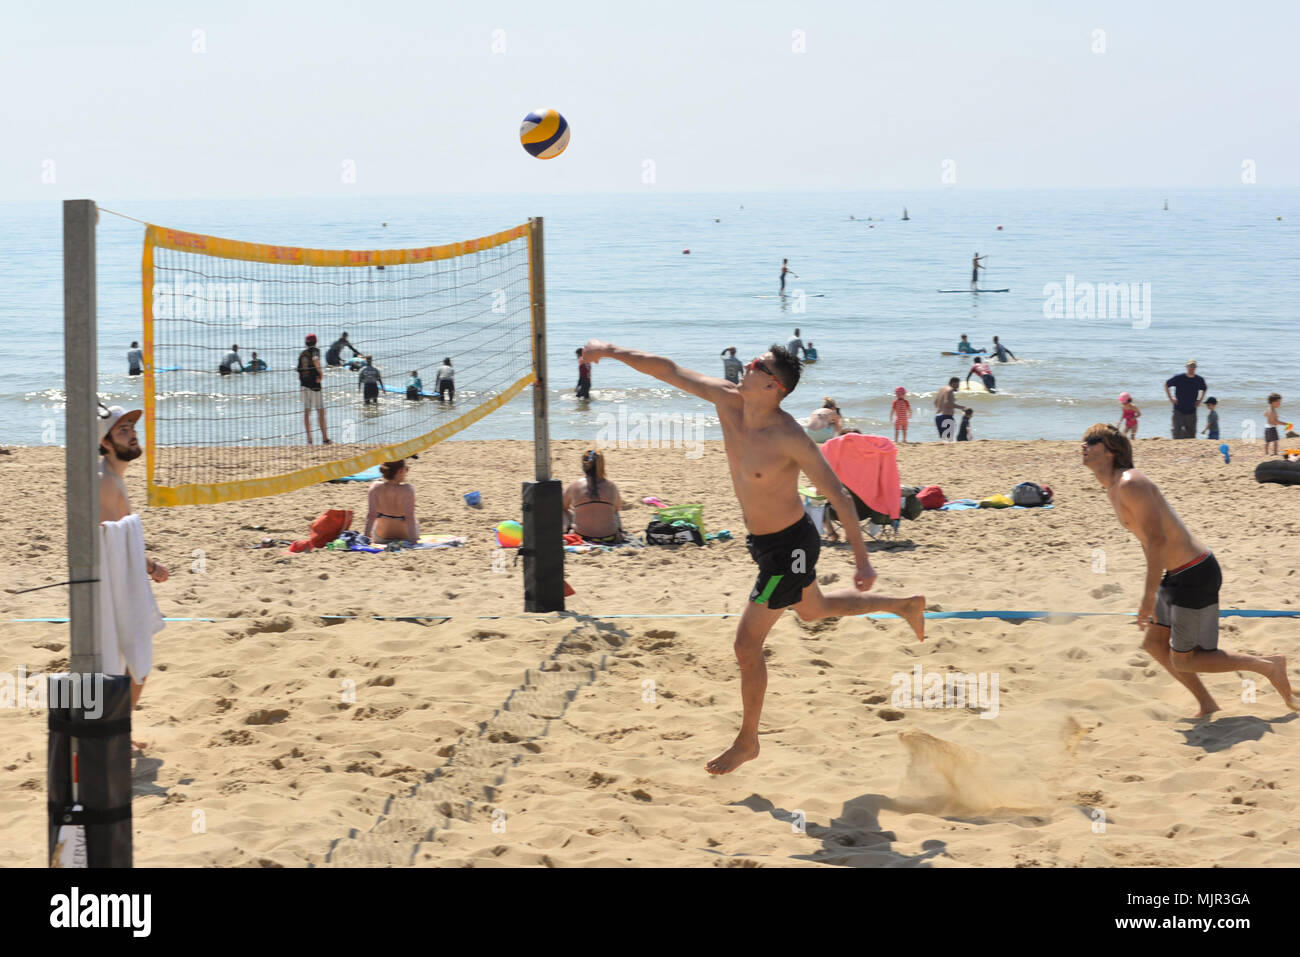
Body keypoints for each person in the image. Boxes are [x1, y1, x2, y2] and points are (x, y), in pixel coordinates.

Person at [581, 338, 925, 775]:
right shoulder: (727, 401)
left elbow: (837, 495)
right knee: (814, 610)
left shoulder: (788, 436)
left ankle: (748, 741)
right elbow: (667, 369)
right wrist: (609, 351)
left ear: (773, 385)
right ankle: (904, 605)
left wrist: (863, 560)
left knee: (746, 643)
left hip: (792, 547)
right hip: (763, 544)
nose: (746, 364)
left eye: (757, 364)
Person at [1082, 423, 1296, 717]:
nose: (1084, 445)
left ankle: (1268, 665)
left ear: (1112, 451)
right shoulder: (1113, 490)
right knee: (1155, 644)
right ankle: (1207, 704)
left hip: (1195, 572)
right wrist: (1156, 590)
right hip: (1174, 575)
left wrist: (1147, 598)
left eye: (1092, 441)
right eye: (1084, 440)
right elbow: (1147, 542)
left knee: (1187, 659)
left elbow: (1158, 539)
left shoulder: (1131, 483)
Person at [98, 405, 168, 742]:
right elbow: (108, 544)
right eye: (122, 430)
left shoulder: (112, 478)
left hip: (116, 582)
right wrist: (151, 567)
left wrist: (150, 567)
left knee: (134, 661)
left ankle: (117, 730)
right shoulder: (106, 483)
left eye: (131, 427)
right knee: (134, 660)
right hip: (110, 587)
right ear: (106, 442)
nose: (132, 432)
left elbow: (117, 539)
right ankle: (115, 732)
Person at [562, 450, 626, 543]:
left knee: (565, 510)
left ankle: (566, 531)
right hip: (609, 537)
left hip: (582, 537)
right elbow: (618, 507)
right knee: (614, 511)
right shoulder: (611, 486)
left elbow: (562, 506)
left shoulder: (574, 485)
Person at [364, 460, 418, 544]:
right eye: (406, 469)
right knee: (414, 519)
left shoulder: (375, 487)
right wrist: (413, 542)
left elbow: (371, 515)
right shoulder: (408, 490)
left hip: (381, 537)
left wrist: (365, 539)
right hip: (405, 537)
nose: (407, 472)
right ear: (400, 471)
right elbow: (409, 517)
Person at [297, 333, 331, 444]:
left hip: (304, 385)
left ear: (306, 343)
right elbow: (316, 360)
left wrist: (303, 382)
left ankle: (309, 439)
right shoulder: (315, 350)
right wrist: (321, 374)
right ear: (315, 342)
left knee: (307, 411)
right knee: (320, 411)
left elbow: (299, 372)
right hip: (314, 385)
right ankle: (325, 438)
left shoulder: (302, 354)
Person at [1164, 359, 1206, 439]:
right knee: (1176, 434)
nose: (1192, 368)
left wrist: (1200, 400)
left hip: (1192, 411)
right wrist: (1171, 398)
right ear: (1186, 367)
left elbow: (1204, 388)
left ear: (1196, 367)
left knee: (1191, 436)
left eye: (1193, 366)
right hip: (1178, 410)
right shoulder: (1179, 377)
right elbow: (1166, 384)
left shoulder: (1199, 379)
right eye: (1190, 366)